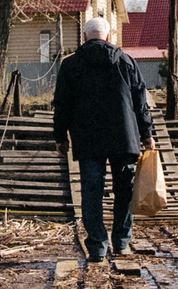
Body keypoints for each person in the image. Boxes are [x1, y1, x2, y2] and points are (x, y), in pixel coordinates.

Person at [51, 15, 155, 262]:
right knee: (124, 190)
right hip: (124, 137)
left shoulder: (71, 65)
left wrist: (60, 136)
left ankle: (97, 246)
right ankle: (121, 243)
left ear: (84, 36)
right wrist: (147, 134)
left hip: (88, 138)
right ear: (108, 36)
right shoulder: (126, 62)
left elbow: (62, 105)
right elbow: (140, 102)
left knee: (91, 191)